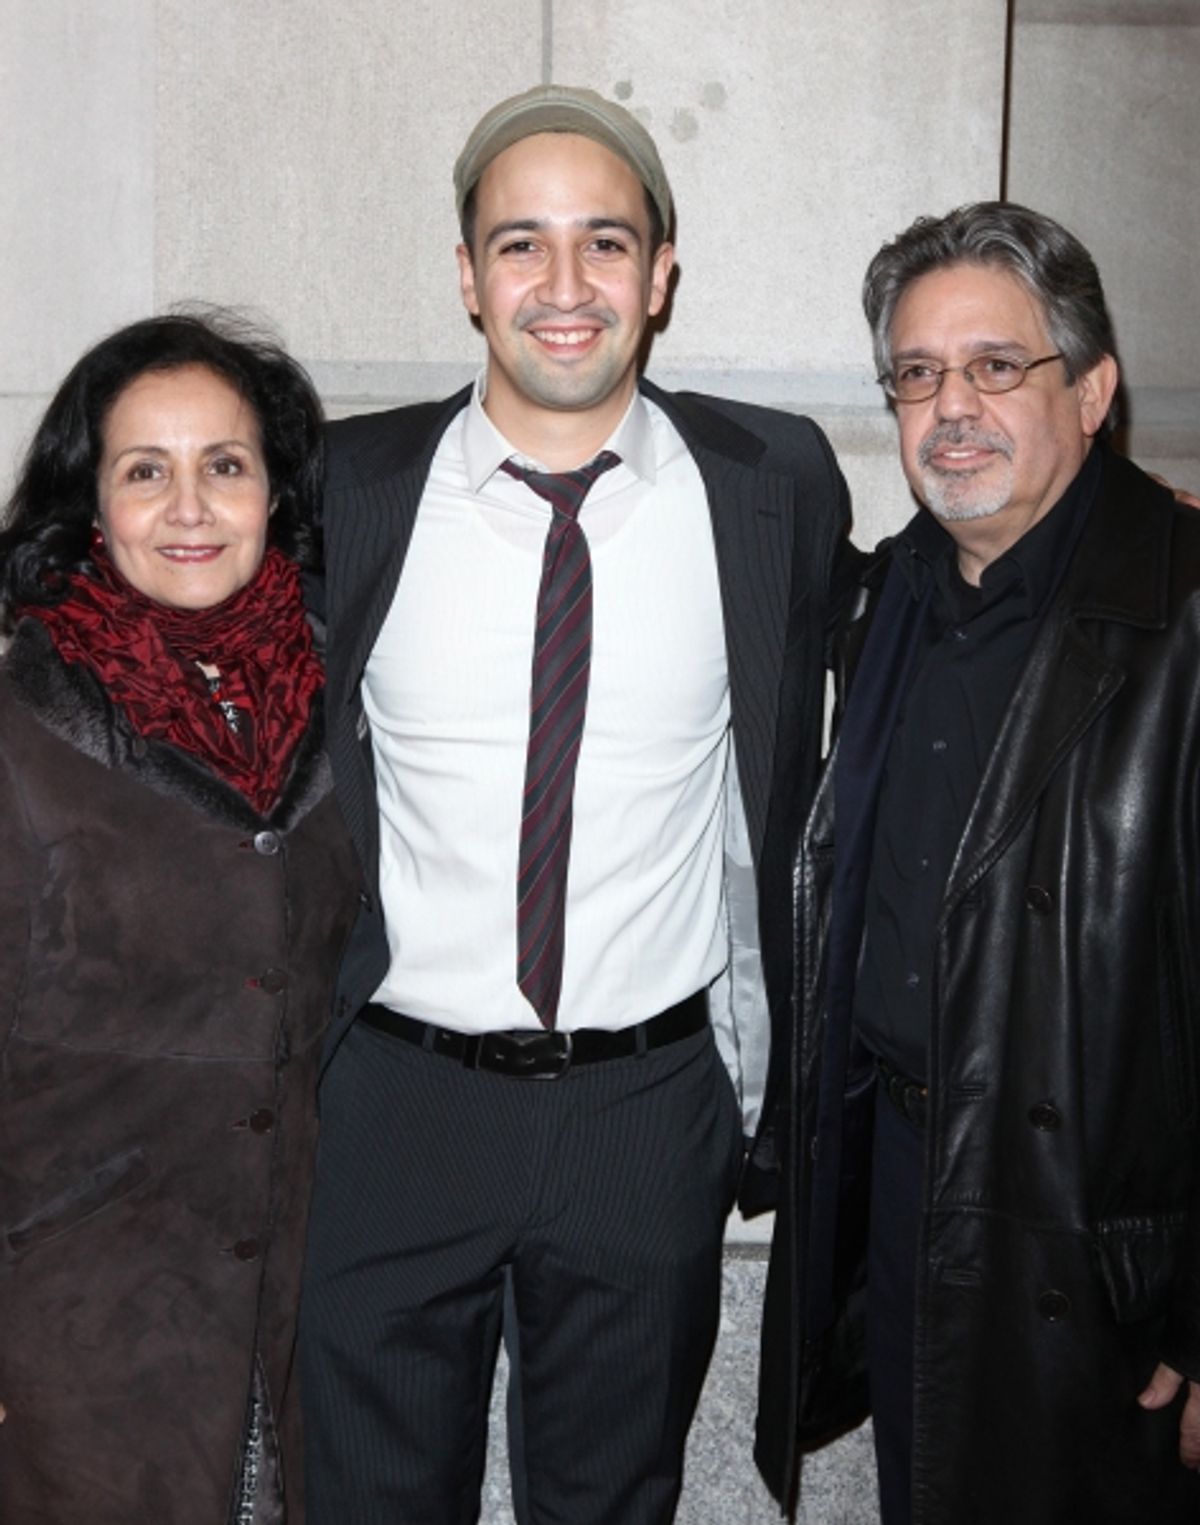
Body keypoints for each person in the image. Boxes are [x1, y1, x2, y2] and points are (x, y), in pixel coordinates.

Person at [298, 84, 852, 1524]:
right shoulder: (347, 487)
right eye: (520, 244)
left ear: (660, 275)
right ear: (467, 275)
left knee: (612, 1503)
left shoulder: (771, 482)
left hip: (644, 1111)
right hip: (393, 1102)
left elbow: (919, 606)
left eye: (604, 242)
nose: (564, 285)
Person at [754, 201, 1200, 1525]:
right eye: (918, 373)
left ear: (1093, 392)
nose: (952, 406)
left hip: (1098, 1243)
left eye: (998, 366)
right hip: (907, 1185)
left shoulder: (1181, 609)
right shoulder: (884, 599)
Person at [0, 311, 362, 1524]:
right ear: (91, 507)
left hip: (295, 1322)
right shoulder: (23, 727)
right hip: (77, 1335)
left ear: (275, 492)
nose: (191, 507)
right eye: (146, 471)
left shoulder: (349, 705)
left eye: (225, 464)